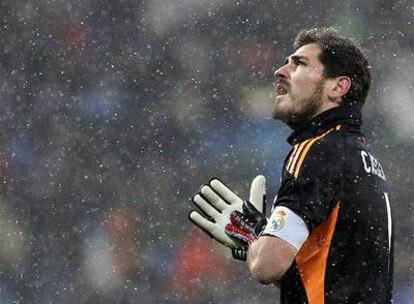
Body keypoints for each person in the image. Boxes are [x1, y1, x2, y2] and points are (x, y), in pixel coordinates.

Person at [189, 27, 393, 303]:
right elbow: (325, 279)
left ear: (338, 87)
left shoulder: (316, 150)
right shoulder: (364, 159)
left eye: (299, 64)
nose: (281, 71)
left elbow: (267, 266)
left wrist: (253, 237)